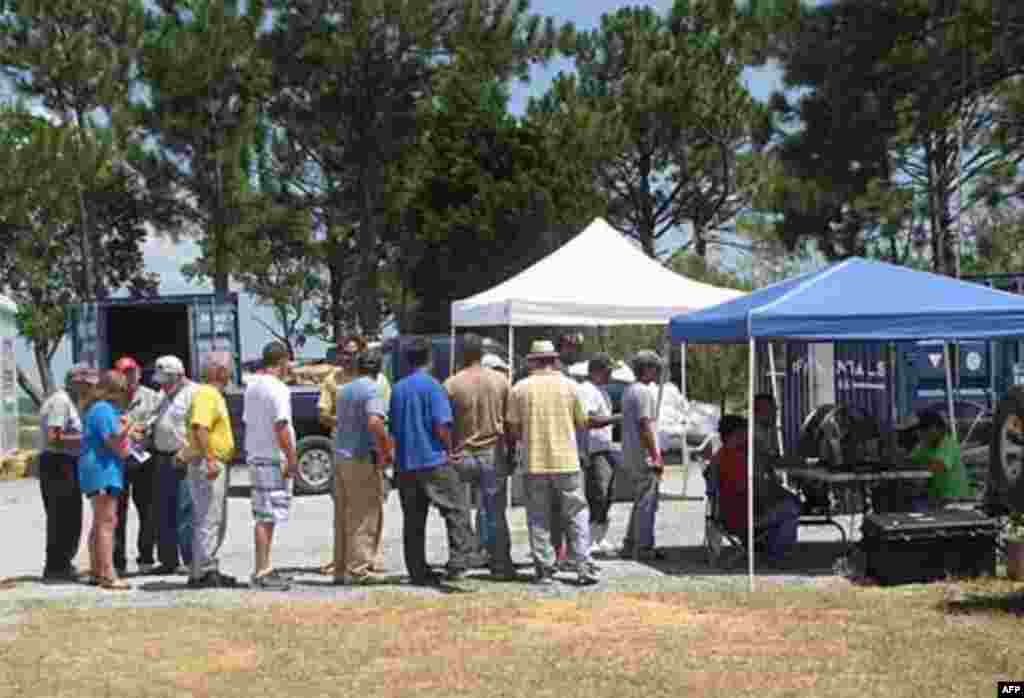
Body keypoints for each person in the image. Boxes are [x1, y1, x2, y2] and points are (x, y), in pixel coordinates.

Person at [506, 339, 598, 586]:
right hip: (567, 459)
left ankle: (545, 568)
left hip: (534, 461)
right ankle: (583, 565)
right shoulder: (571, 386)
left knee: (538, 517)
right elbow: (582, 422)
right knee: (576, 513)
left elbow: (513, 429)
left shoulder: (520, 389)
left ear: (531, 361)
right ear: (554, 360)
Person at [389, 337, 475, 585]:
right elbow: (441, 423)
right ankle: (459, 563)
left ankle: (417, 570)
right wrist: (449, 449)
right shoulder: (433, 386)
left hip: (406, 462)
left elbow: (393, 426)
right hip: (434, 459)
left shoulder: (398, 389)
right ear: (430, 359)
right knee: (456, 510)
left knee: (414, 519)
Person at [318, 335, 391, 576]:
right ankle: (359, 568)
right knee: (364, 514)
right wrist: (386, 450)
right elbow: (376, 421)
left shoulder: (345, 391)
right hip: (361, 456)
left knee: (343, 513)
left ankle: (341, 567)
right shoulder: (374, 388)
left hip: (340, 455)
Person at [444, 333, 514, 579]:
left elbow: (446, 424)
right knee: (495, 511)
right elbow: (510, 422)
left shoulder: (452, 384)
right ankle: (501, 564)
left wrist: (448, 451)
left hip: (462, 452)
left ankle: (460, 562)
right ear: (482, 353)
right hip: (493, 452)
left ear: (462, 354)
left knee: (460, 511)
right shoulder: (501, 381)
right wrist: (511, 452)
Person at [78, 370, 140, 590]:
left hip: (94, 469)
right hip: (103, 470)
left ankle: (96, 570)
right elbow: (114, 443)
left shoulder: (96, 409)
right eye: (123, 390)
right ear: (115, 391)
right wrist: (128, 429)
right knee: (107, 521)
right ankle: (108, 574)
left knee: (99, 521)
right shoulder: (104, 410)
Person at [244, 341, 298, 590]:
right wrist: (292, 457)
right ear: (282, 361)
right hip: (272, 457)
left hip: (256, 455)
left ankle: (264, 567)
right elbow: (281, 425)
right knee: (267, 516)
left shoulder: (252, 387)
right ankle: (261, 571)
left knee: (265, 514)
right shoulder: (278, 389)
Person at [712, 415, 800, 560]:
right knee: (791, 508)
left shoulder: (721, 455)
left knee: (785, 504)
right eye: (745, 433)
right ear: (737, 434)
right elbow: (750, 492)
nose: (748, 436)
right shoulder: (735, 459)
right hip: (740, 519)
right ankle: (776, 554)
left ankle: (766, 546)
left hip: (727, 515)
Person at [37, 366, 97, 582]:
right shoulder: (61, 401)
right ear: (75, 382)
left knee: (70, 515)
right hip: (57, 462)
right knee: (62, 515)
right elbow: (54, 437)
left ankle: (62, 563)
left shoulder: (70, 401)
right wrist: (86, 440)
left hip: (65, 462)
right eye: (87, 383)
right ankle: (56, 565)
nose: (90, 388)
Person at [185, 351, 238, 589]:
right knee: (209, 518)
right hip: (209, 463)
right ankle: (202, 572)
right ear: (219, 371)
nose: (231, 372)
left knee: (212, 518)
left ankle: (206, 567)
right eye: (229, 368)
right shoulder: (207, 394)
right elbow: (200, 427)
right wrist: (209, 459)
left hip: (212, 462)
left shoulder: (212, 394)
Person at [111, 356, 162, 575]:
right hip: (119, 461)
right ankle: (117, 561)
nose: (129, 376)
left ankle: (146, 558)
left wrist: (142, 430)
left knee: (147, 510)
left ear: (139, 373)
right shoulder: (111, 399)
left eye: (132, 372)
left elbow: (157, 424)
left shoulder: (152, 397)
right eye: (124, 372)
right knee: (116, 513)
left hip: (144, 460)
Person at [151, 355, 197, 575]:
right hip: (161, 457)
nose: (163, 384)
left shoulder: (193, 394)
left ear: (179, 376)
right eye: (161, 380)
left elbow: (199, 428)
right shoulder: (161, 395)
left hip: (183, 458)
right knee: (163, 510)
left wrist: (188, 451)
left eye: (167, 380)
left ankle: (189, 560)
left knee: (185, 510)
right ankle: (168, 560)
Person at [577, 353, 622, 556]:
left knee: (608, 494)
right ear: (597, 371)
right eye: (608, 370)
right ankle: (590, 538)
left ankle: (600, 536)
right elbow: (588, 419)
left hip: (605, 448)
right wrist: (615, 419)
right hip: (594, 450)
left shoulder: (601, 391)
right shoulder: (587, 390)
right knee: (598, 493)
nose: (611, 374)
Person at [620, 350, 664, 560]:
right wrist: (656, 455)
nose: (657, 372)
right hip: (643, 454)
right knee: (648, 502)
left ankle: (630, 543)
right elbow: (645, 425)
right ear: (647, 369)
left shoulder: (629, 390)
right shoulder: (644, 392)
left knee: (640, 500)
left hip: (630, 452)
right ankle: (644, 547)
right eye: (655, 368)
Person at [908, 410, 969, 506]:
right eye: (920, 431)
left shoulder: (948, 444)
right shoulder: (924, 444)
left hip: (955, 500)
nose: (921, 434)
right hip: (936, 499)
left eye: (924, 430)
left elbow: (940, 465)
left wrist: (919, 472)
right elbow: (910, 462)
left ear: (936, 428)